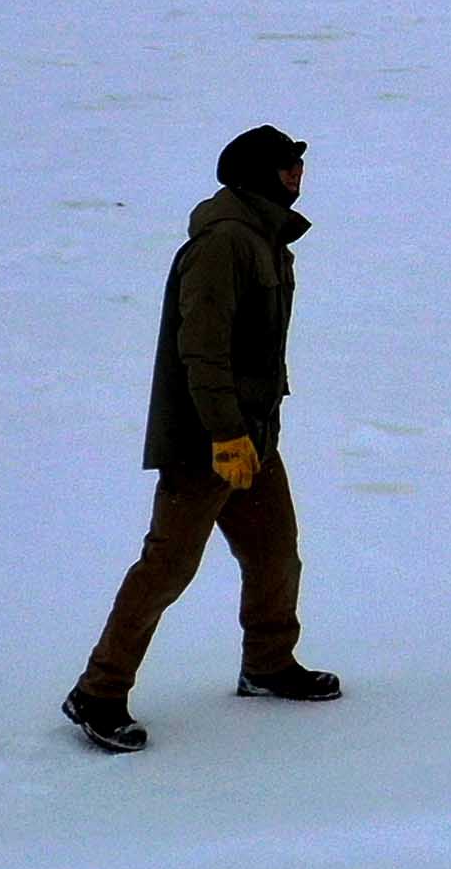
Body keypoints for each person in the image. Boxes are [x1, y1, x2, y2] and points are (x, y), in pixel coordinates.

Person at [61, 127, 343, 752]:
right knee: (167, 566)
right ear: (254, 175)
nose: (297, 173)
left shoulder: (267, 238)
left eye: (298, 163)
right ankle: (98, 691)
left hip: (253, 433)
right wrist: (223, 434)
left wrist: (252, 432)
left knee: (275, 553)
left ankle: (268, 663)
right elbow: (203, 351)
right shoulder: (225, 244)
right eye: (285, 165)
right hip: (208, 441)